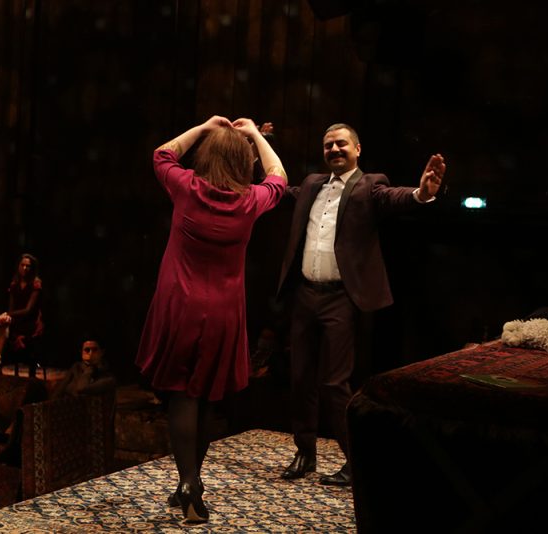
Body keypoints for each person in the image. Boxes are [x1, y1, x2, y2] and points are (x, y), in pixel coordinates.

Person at [135, 115, 287, 523]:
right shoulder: (249, 202)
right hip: (223, 312)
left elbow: (162, 154)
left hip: (181, 305)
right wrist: (254, 135)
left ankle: (188, 482)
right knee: (205, 396)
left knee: (183, 393)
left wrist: (204, 127)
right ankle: (192, 481)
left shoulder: (186, 188)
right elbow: (279, 175)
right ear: (241, 162)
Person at [277, 123, 445, 485]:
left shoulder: (370, 185)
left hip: (339, 298)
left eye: (341, 144)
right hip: (305, 294)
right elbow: (278, 190)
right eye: (328, 145)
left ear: (357, 149)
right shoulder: (312, 184)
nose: (334, 149)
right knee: (300, 377)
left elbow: (395, 197)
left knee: (334, 382)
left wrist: (421, 193)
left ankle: (356, 461)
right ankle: (305, 452)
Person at [0, 253, 44, 373]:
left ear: (32, 268)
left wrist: (7, 314)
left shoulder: (35, 284)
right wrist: (7, 316)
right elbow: (11, 308)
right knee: (2, 324)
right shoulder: (14, 284)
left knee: (5, 321)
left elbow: (28, 310)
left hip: (30, 322)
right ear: (18, 266)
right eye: (22, 265)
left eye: (28, 266)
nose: (25, 268)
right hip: (17, 319)